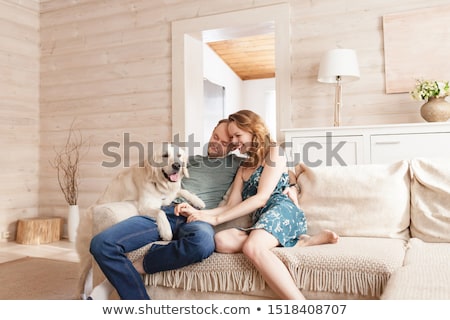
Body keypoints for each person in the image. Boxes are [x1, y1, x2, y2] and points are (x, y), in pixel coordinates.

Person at [177, 109, 338, 300]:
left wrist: (216, 219)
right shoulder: (243, 167)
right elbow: (231, 205)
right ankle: (302, 242)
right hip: (262, 219)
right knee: (221, 240)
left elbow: (262, 198)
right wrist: (201, 213)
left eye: (238, 135)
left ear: (254, 131)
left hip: (282, 211)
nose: (235, 142)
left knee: (252, 248)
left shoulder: (274, 152)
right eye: (232, 137)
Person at [88, 119, 241, 300]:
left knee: (202, 244)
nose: (215, 144)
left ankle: (136, 267)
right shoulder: (186, 160)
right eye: (215, 136)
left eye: (223, 143)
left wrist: (285, 189)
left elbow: (264, 167)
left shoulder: (238, 164)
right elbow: (152, 171)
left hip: (198, 218)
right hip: (165, 210)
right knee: (101, 244)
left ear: (233, 146)